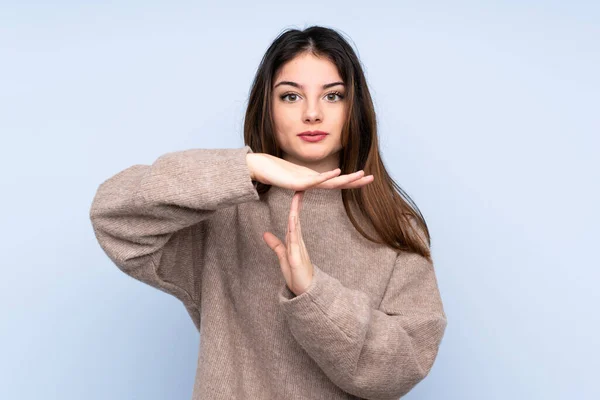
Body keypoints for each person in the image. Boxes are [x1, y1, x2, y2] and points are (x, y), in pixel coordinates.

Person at [89, 25, 448, 400]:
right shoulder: (224, 213)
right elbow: (113, 217)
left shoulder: (394, 225)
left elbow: (402, 368)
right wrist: (246, 169)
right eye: (291, 96)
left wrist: (312, 290)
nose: (312, 113)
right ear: (268, 107)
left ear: (354, 108)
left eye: (333, 96)